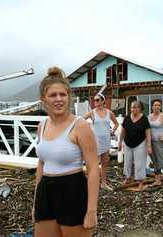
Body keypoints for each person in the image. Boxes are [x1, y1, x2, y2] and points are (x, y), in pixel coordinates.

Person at [33, 67, 99, 237]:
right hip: (45, 192)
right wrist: (35, 203)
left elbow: (93, 169)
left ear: (69, 97)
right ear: (43, 99)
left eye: (63, 94)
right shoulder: (42, 126)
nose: (58, 99)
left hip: (73, 191)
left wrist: (91, 210)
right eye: (53, 95)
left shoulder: (80, 126)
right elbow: (41, 164)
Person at [83, 93, 119, 191]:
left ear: (103, 101)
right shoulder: (92, 113)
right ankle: (92, 183)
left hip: (106, 141)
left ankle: (103, 183)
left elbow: (116, 124)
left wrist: (112, 131)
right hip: (95, 142)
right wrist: (87, 131)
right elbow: (81, 121)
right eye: (94, 100)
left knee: (104, 163)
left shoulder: (109, 113)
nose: (95, 102)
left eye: (97, 100)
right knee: (93, 164)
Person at [118, 101, 151, 191]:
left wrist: (148, 146)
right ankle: (128, 178)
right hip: (128, 143)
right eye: (132, 107)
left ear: (140, 109)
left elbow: (147, 133)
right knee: (127, 162)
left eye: (136, 108)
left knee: (139, 163)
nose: (133, 109)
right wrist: (120, 142)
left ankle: (141, 182)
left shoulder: (144, 119)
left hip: (140, 143)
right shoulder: (127, 118)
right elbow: (123, 131)